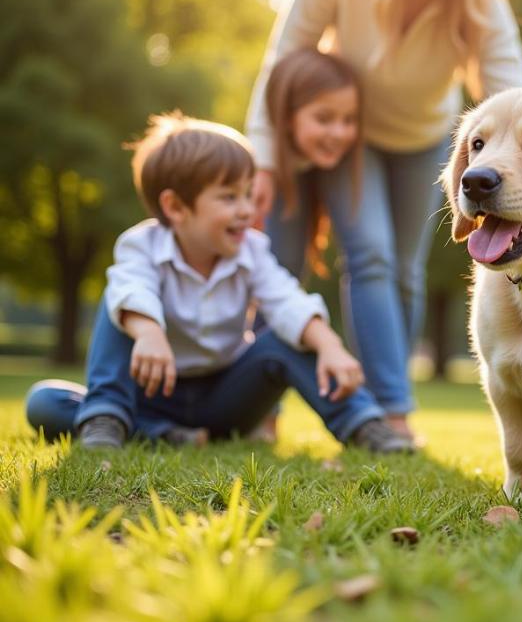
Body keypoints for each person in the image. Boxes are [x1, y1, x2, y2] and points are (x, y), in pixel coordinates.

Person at [246, 0, 522, 439]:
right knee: (366, 254)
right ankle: (273, 412)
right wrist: (265, 159)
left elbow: (513, 92)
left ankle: (386, 408)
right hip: (345, 137)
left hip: (425, 139)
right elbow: (286, 57)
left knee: (403, 271)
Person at [24, 113, 412, 453]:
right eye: (229, 197)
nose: (246, 210)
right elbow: (133, 289)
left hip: (226, 399)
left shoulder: (252, 252)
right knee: (48, 398)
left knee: (291, 337)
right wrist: (148, 331)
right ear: (176, 207)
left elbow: (287, 301)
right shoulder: (141, 246)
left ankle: (363, 423)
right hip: (151, 393)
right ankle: (119, 423)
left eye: (247, 195)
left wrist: (330, 346)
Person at [250, 47, 363, 442]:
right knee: (272, 299)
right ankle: (261, 417)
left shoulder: (309, 174)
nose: (339, 133)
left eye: (349, 120)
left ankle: (264, 416)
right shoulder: (259, 182)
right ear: (287, 116)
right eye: (324, 118)